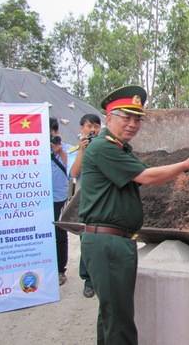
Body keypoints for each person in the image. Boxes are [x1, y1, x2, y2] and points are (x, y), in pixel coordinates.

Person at [78, 85, 189, 345]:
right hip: (107, 244)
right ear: (109, 119)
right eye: (126, 118)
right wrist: (185, 165)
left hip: (116, 242)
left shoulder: (121, 149)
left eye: (137, 119)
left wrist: (180, 168)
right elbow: (148, 176)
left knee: (112, 317)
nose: (132, 124)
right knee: (119, 322)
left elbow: (150, 173)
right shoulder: (104, 148)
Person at [67, 113, 102, 298]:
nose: (93, 129)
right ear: (82, 128)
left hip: (102, 201)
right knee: (87, 243)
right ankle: (88, 281)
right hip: (84, 203)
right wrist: (82, 150)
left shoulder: (104, 146)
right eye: (89, 126)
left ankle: (102, 278)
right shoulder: (75, 150)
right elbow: (74, 172)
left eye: (96, 126)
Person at [49, 116, 73, 286]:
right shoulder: (31, 149)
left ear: (56, 132)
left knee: (59, 234)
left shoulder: (69, 150)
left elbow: (75, 172)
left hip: (59, 197)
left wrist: (61, 153)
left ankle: (60, 271)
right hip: (37, 199)